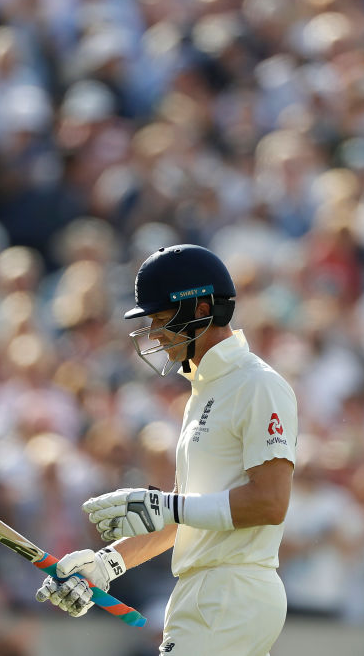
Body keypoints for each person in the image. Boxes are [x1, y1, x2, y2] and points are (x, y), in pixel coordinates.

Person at [35, 244, 298, 656]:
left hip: (228, 594)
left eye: (161, 320)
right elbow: (188, 515)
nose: (155, 334)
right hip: (209, 594)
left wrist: (167, 506)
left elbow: (270, 502)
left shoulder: (255, 384)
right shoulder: (205, 391)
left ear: (201, 309)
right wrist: (105, 565)